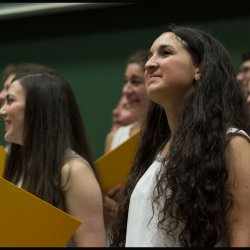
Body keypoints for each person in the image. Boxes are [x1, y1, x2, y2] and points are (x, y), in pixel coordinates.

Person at [110, 24, 250, 247]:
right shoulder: (153, 150)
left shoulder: (232, 144)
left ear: (199, 69)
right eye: (149, 56)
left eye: (165, 53)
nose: (149, 64)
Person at [0, 70, 106, 247]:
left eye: (10, 101)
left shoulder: (74, 171)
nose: (2, 111)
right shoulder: (18, 164)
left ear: (38, 108)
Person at [103, 50, 150, 244]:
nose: (127, 90)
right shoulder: (115, 137)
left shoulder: (168, 139)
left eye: (135, 81)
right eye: (125, 81)